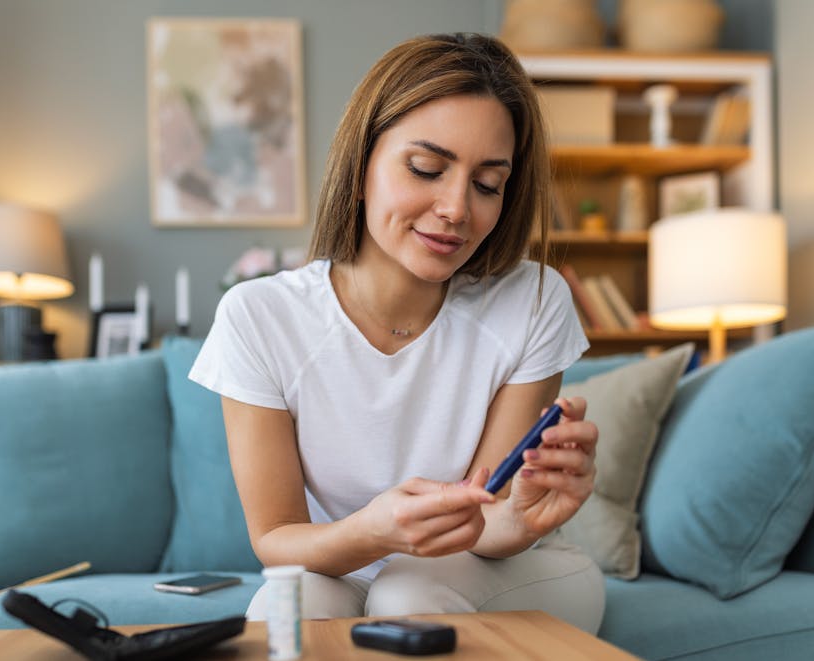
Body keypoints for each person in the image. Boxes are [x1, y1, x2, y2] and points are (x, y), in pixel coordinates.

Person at [190, 32, 604, 632]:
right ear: (359, 169)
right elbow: (277, 538)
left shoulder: (533, 301)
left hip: (507, 569)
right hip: (345, 565)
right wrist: (372, 533)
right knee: (288, 609)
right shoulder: (259, 316)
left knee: (406, 591)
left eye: (488, 184)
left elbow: (491, 524)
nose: (457, 208)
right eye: (427, 169)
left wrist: (526, 517)